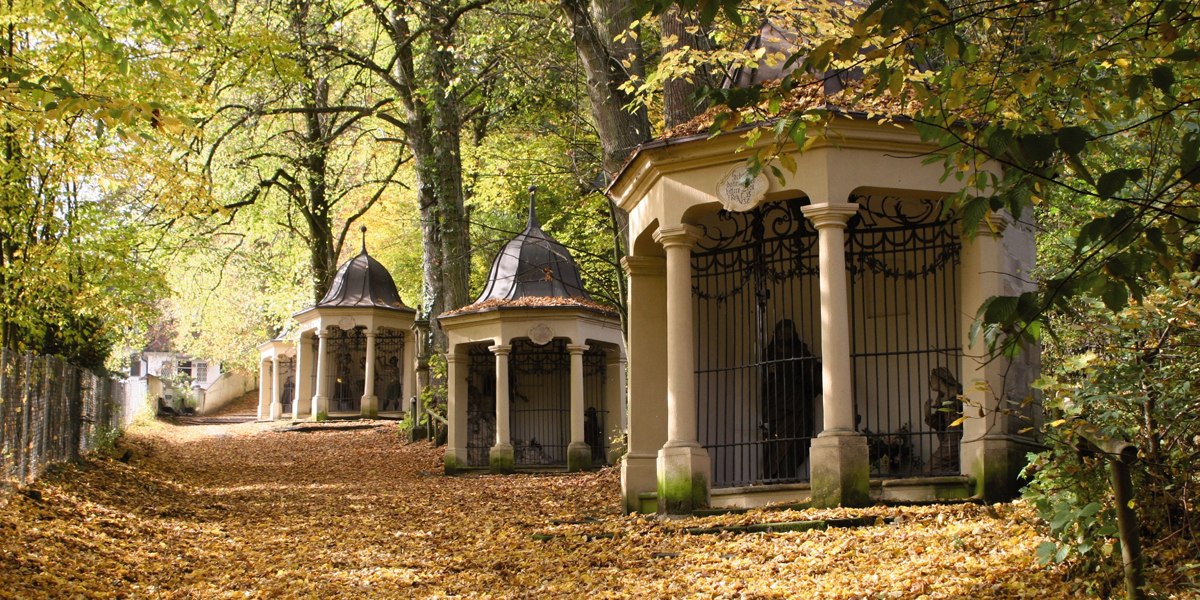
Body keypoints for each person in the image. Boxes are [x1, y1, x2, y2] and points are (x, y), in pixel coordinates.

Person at [924, 366, 962, 473]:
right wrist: (927, 413)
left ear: (940, 379)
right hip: (947, 438)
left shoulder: (958, 392)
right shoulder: (940, 399)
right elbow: (939, 424)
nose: (930, 382)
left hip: (955, 438)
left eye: (932, 379)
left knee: (929, 469)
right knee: (935, 469)